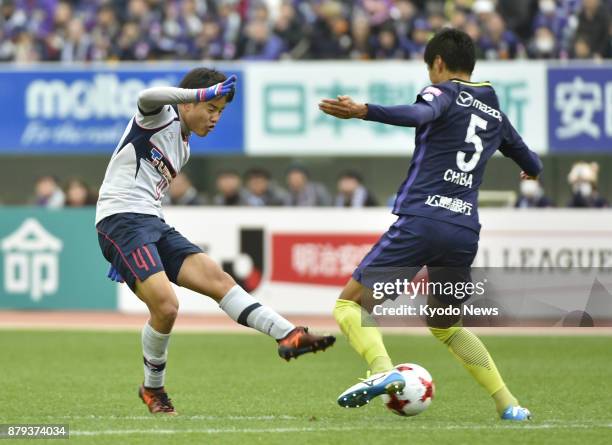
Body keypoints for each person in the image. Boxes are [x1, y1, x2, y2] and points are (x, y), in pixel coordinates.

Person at [319, 29, 540, 421]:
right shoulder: (495, 114)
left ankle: (383, 370)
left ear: (437, 64)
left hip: (422, 221)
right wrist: (529, 171)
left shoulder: (444, 93)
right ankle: (509, 405)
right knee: (447, 325)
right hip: (462, 232)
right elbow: (532, 161)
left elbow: (420, 113)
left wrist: (364, 110)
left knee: (349, 305)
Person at [95, 68, 335, 415]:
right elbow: (145, 97)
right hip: (120, 220)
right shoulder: (158, 117)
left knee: (219, 280)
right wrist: (199, 94)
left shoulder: (185, 147)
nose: (215, 117)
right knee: (166, 306)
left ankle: (288, 334)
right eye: (212, 108)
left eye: (220, 111)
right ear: (193, 101)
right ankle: (153, 388)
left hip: (152, 222)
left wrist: (206, 99)